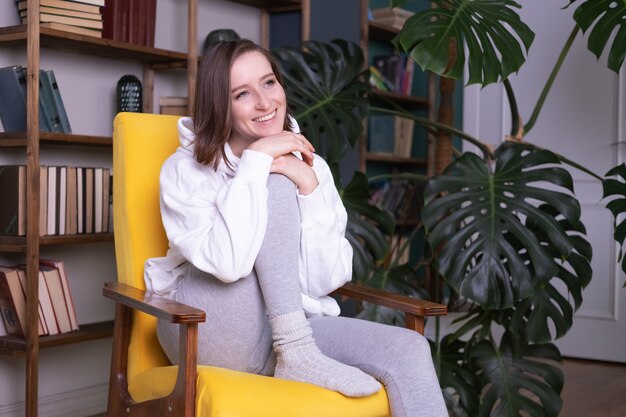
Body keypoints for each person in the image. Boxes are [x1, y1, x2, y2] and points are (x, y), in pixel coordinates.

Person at [146, 38, 447, 417]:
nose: (264, 102)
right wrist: (256, 162)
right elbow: (229, 265)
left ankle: (296, 352)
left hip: (288, 331)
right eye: (242, 93)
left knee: (409, 349)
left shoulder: (308, 167)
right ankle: (297, 351)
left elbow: (326, 280)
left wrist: (308, 187)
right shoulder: (184, 169)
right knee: (275, 185)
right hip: (203, 328)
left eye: (269, 82)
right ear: (219, 105)